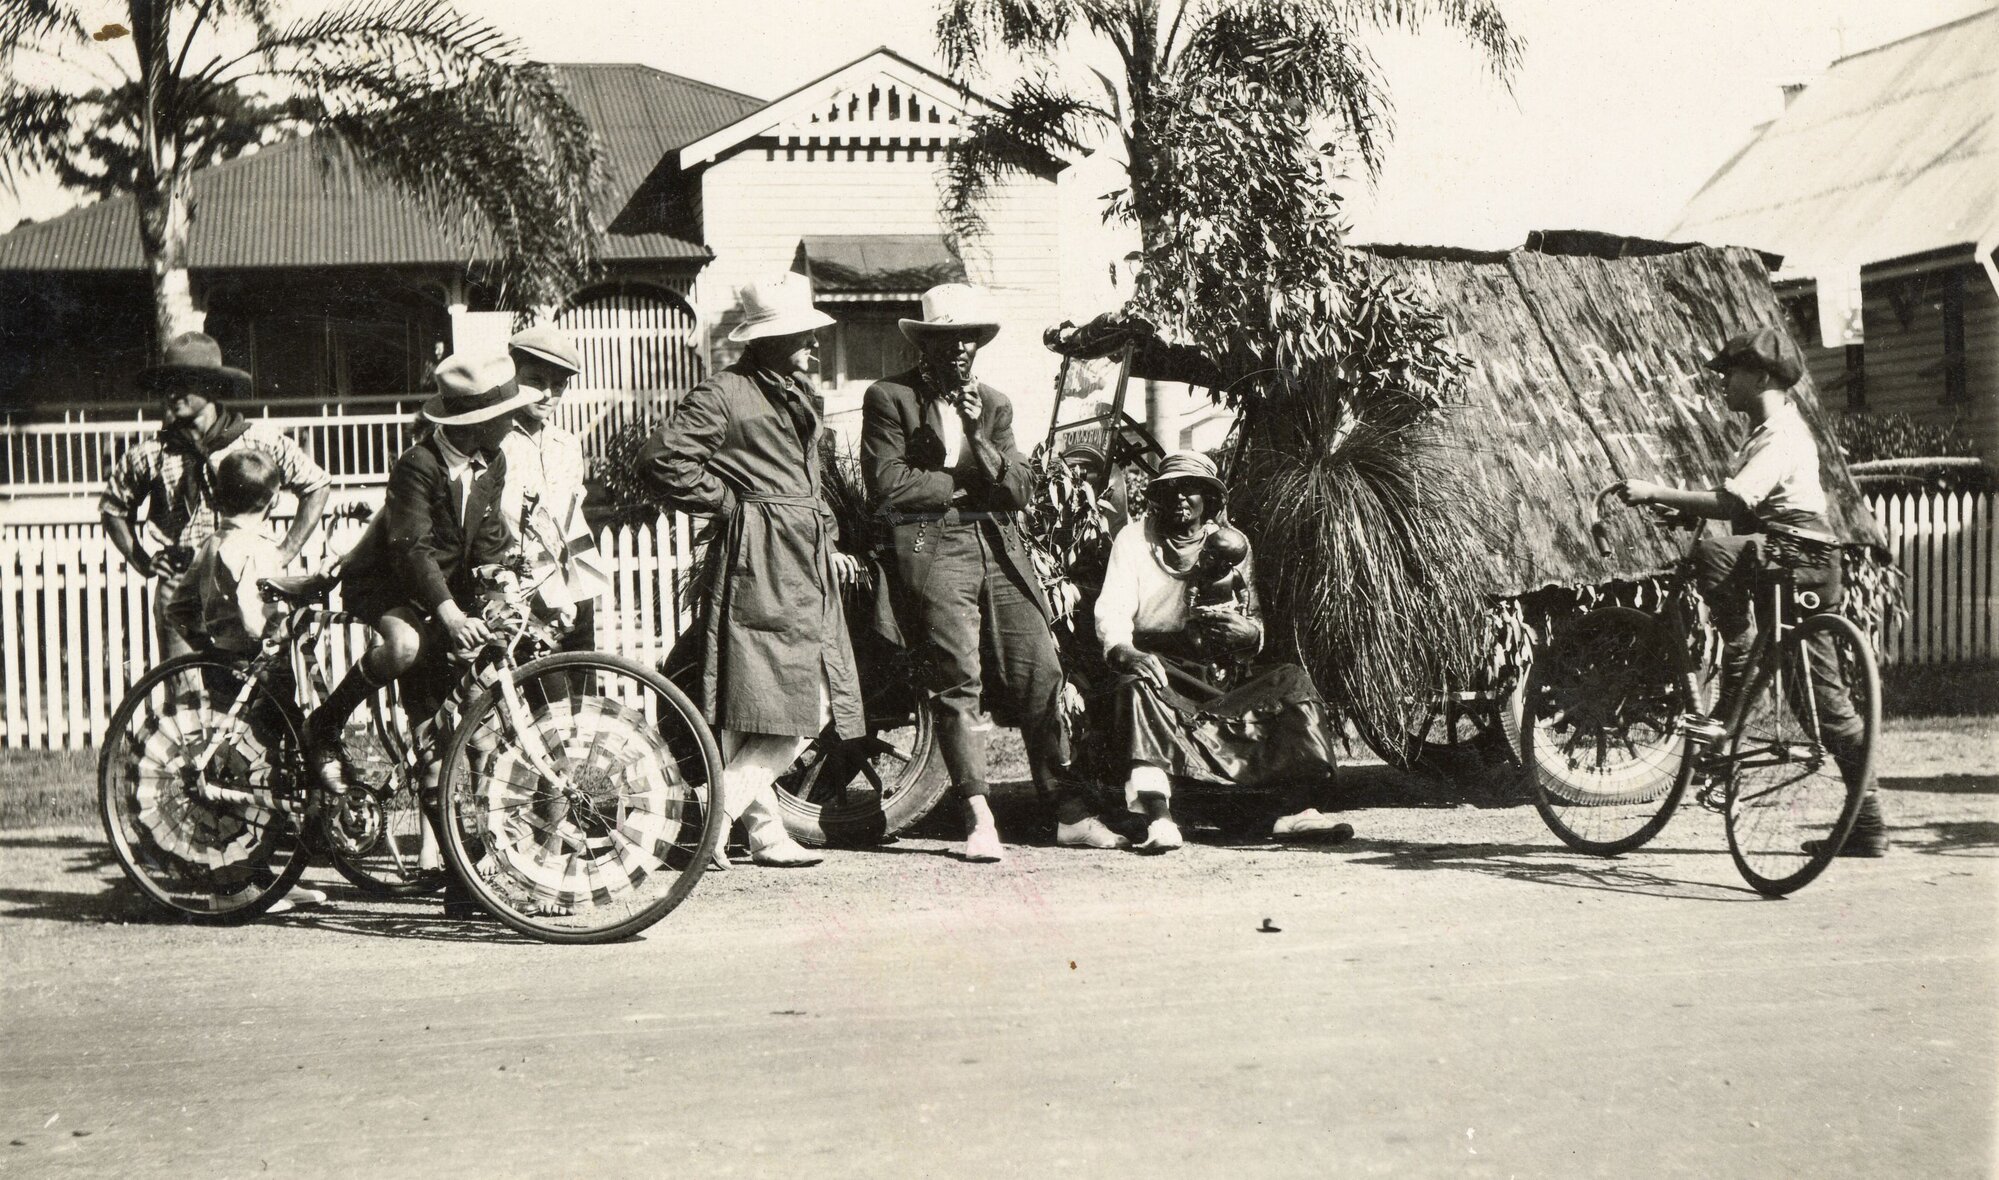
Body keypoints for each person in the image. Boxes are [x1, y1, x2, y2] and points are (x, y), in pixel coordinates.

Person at [863, 283, 1125, 862]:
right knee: (957, 675)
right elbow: (888, 487)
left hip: (998, 543)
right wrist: (963, 485)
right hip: (933, 544)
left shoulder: (994, 402)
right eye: (947, 338)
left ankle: (1071, 812)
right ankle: (979, 817)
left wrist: (978, 436)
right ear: (926, 343)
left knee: (1040, 668)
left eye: (969, 338)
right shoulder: (889, 398)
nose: (960, 348)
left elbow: (1019, 489)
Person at [1616, 326, 1885, 856]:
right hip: (1792, 560)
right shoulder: (1766, 431)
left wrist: (1653, 492)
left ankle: (1733, 679)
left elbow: (1735, 504)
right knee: (1819, 703)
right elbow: (1747, 505)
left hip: (1796, 560)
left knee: (1714, 553)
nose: (1722, 382)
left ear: (1760, 376)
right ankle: (1868, 822)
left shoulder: (1782, 432)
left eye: (1730, 372)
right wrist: (1686, 506)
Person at [641, 274, 865, 869]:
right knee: (791, 707)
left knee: (764, 706)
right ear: (767, 340)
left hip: (802, 560)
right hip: (759, 563)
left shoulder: (794, 394)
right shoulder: (724, 393)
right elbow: (663, 460)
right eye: (802, 335)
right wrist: (731, 504)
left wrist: (830, 538)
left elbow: (807, 485)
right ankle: (711, 821)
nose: (815, 345)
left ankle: (760, 833)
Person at [302, 353, 535, 918]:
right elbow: (411, 549)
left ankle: (462, 883)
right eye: (507, 413)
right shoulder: (418, 465)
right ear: (473, 421)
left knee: (469, 730)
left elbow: (485, 540)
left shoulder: (492, 459)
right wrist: (450, 614)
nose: (516, 420)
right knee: (406, 651)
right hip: (393, 588)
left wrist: (497, 592)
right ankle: (326, 721)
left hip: (445, 596)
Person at [1094, 451, 1353, 853]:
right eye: (1172, 489)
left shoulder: (1233, 545)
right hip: (1164, 666)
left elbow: (1254, 620)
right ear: (1158, 497)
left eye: (1192, 489)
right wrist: (1127, 652)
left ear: (1210, 499)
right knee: (1135, 685)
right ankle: (1159, 817)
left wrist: (1248, 633)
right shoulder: (1134, 540)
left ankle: (1295, 809)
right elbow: (1113, 612)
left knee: (1290, 681)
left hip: (1221, 673)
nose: (1181, 498)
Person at [164, 448, 330, 914]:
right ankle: (230, 889)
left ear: (218, 496)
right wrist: (272, 632)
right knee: (244, 775)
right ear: (274, 500)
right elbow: (256, 614)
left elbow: (177, 609)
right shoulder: (255, 549)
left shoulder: (213, 544)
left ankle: (260, 877)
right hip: (256, 670)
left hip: (223, 665)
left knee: (254, 773)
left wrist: (206, 638)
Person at [100, 331, 332, 658]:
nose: (173, 393)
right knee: (186, 697)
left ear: (211, 386)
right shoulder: (150, 454)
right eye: (168, 384)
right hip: (182, 589)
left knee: (258, 690)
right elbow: (112, 509)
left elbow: (316, 484)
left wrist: (285, 551)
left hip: (247, 584)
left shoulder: (258, 442)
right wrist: (143, 560)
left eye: (184, 383)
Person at [498, 325, 605, 644]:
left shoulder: (567, 444)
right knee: (536, 687)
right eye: (535, 381)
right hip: (521, 584)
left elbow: (570, 519)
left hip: (576, 577)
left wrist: (576, 594)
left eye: (557, 385)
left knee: (583, 685)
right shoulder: (497, 441)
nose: (547, 395)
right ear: (513, 378)